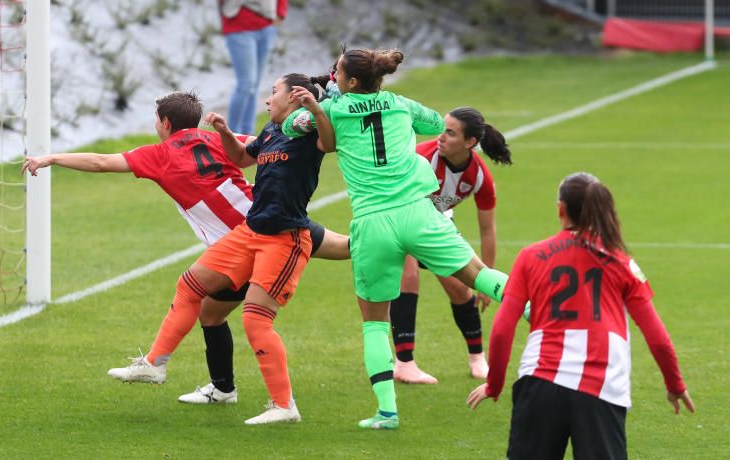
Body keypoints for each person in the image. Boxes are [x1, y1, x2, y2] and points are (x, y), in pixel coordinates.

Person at [21, 90, 347, 408]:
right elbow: (268, 145)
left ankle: (172, 370)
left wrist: (52, 158)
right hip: (270, 218)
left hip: (249, 241)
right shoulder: (218, 138)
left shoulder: (160, 155)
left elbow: (100, 162)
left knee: (222, 309)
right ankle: (220, 389)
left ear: (165, 123)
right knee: (346, 249)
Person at [281, 47, 510, 430]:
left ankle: (387, 412)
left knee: (373, 322)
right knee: (476, 274)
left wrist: (325, 99)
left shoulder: (334, 109)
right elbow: (437, 122)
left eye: (336, 72)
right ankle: (538, 313)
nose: (332, 76)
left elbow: (291, 126)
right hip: (417, 211)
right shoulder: (399, 103)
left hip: (372, 223)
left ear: (350, 82)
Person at [466, 172, 695, 459]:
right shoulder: (622, 262)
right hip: (600, 389)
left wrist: (494, 384)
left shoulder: (530, 256)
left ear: (560, 209)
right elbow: (657, 337)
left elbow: (501, 329)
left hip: (540, 383)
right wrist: (675, 385)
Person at [391, 107, 513, 385]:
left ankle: (477, 358)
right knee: (407, 277)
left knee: (460, 288)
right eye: (442, 129)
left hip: (436, 224)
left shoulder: (479, 176)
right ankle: (404, 363)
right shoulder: (422, 157)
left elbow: (487, 229)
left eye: (450, 132)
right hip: (401, 216)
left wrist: (486, 279)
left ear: (470, 143)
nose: (441, 137)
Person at [219, 0, 287, 135]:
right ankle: (230, 136)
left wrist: (280, 12)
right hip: (239, 27)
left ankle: (247, 137)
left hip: (266, 26)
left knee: (254, 86)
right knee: (246, 84)